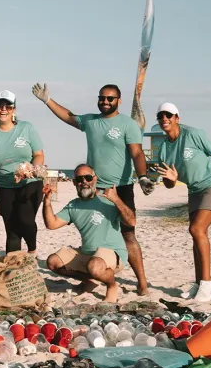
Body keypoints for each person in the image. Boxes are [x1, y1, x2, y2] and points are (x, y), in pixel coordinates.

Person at [32, 82, 152, 295]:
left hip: (119, 187)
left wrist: (142, 177)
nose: (105, 102)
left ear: (119, 101)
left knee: (129, 235)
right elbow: (69, 116)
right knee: (95, 233)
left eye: (110, 99)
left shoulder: (128, 124)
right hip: (93, 185)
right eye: (102, 98)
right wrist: (47, 100)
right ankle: (93, 274)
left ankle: (142, 282)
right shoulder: (90, 121)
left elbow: (136, 153)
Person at [154, 102, 211, 303]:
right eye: (161, 116)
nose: (165, 119)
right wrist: (171, 178)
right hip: (195, 190)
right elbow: (169, 184)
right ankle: (199, 282)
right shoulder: (163, 149)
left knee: (197, 230)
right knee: (196, 232)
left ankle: (208, 282)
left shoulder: (193, 134)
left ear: (177, 118)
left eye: (169, 115)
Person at [44, 164, 135, 302]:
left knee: (95, 265)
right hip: (88, 255)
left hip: (113, 254)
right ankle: (92, 279)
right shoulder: (73, 205)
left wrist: (116, 199)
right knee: (53, 262)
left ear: (95, 179)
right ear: (74, 183)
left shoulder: (108, 200)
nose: (84, 182)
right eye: (80, 179)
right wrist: (47, 202)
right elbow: (51, 224)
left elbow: (131, 222)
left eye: (88, 177)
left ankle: (111, 286)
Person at [0, 90, 45, 254]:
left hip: (30, 182)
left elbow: (38, 155)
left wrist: (32, 168)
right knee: (12, 230)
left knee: (25, 219)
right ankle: (12, 269)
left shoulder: (26, 128)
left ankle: (32, 250)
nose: (3, 110)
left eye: (8, 106)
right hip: (4, 186)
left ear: (14, 109)